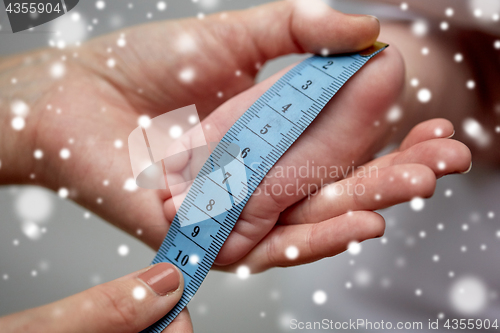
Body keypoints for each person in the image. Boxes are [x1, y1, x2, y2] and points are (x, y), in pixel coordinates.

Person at [0, 0, 472, 331]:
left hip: (377, 306)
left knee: (456, 60)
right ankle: (385, 81)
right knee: (455, 53)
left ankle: (375, 83)